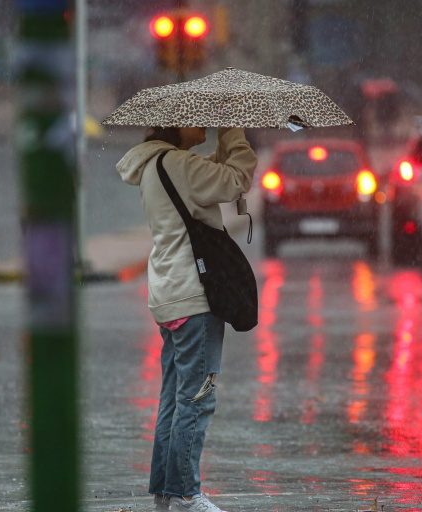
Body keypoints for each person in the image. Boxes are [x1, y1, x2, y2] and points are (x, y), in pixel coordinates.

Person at [116, 127, 258, 512]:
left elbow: (207, 176)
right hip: (194, 296)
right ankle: (185, 494)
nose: (204, 125)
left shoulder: (156, 164)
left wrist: (224, 146)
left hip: (168, 292)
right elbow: (236, 179)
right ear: (177, 127)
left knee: (173, 398)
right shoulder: (179, 164)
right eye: (197, 120)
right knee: (197, 397)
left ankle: (166, 491)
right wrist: (234, 132)